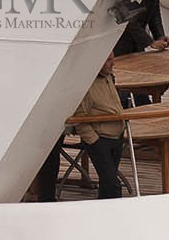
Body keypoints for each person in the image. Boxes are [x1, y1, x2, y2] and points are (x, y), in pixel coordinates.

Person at [35, 56, 126, 202]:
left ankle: (104, 212)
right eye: (108, 59)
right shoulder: (85, 84)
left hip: (116, 135)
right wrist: (94, 141)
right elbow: (80, 116)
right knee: (112, 184)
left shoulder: (108, 77)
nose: (113, 63)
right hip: (99, 138)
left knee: (108, 183)